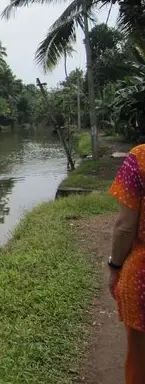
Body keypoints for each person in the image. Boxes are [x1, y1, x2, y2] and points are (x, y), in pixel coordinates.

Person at [108, 144, 145, 384]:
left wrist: (115, 267)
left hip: (142, 279)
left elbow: (125, 226)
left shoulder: (140, 158)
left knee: (140, 363)